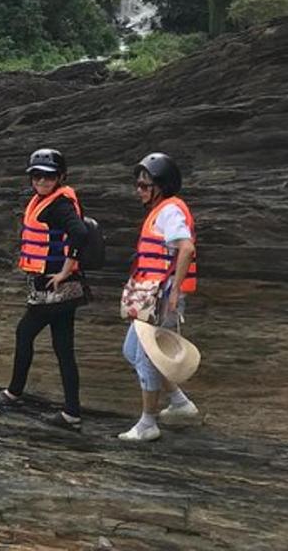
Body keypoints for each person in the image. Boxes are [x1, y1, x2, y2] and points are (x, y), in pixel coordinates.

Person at [0, 149, 89, 431]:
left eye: (49, 176)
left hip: (53, 288)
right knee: (63, 347)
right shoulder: (45, 201)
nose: (42, 181)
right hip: (62, 289)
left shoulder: (59, 205)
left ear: (61, 177)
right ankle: (71, 412)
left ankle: (13, 393)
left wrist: (65, 270)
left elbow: (79, 233)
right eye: (37, 176)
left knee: (25, 332)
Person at [118, 152, 200, 442]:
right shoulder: (161, 210)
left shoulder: (169, 211)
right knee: (132, 351)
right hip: (150, 298)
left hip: (162, 298)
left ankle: (147, 423)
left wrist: (175, 291)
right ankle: (179, 403)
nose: (139, 190)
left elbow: (186, 248)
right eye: (138, 185)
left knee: (147, 358)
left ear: (160, 186)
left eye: (144, 185)